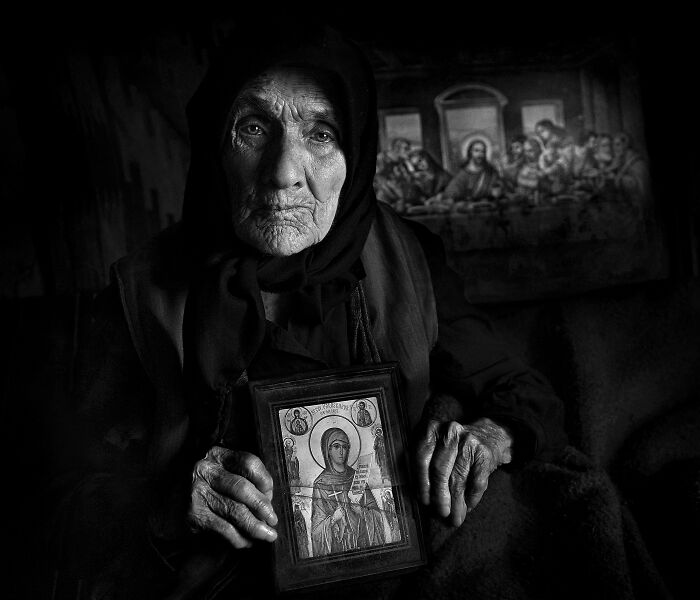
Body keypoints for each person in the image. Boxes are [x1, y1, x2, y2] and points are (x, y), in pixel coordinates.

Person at [49, 23, 568, 599]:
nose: (282, 173)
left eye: (321, 133)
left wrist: (490, 438)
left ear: (358, 151)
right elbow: (65, 495)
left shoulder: (408, 259)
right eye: (252, 128)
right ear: (214, 147)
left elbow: (519, 390)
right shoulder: (141, 292)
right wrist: (169, 508)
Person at [310, 428, 385, 556]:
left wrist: (362, 512)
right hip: (337, 548)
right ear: (327, 450)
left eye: (345, 447)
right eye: (336, 446)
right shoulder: (321, 484)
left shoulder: (357, 477)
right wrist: (333, 519)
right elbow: (316, 529)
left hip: (362, 544)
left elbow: (377, 515)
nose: (341, 451)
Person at [443, 139, 501, 204]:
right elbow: (450, 193)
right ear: (470, 152)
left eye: (483, 151)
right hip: (469, 210)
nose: (480, 154)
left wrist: (497, 191)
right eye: (476, 150)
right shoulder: (463, 175)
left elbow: (499, 188)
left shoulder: (490, 172)